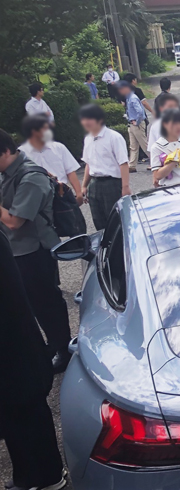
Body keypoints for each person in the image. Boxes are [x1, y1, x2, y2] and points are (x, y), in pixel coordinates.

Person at [0, 228, 67, 490]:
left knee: (20, 410)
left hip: (10, 344)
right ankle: (38, 473)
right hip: (16, 339)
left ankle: (40, 476)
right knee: (23, 410)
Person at [0, 129, 72, 373]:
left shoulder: (30, 177)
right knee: (29, 303)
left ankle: (63, 349)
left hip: (34, 250)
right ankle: (48, 345)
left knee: (46, 302)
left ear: (6, 151)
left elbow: (14, 221)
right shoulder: (8, 173)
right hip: (17, 249)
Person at [79, 104, 129, 232]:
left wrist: (125, 187)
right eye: (83, 119)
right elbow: (88, 163)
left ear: (100, 119)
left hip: (111, 184)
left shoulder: (114, 137)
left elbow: (123, 163)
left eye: (89, 119)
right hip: (94, 184)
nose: (85, 122)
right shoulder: (88, 138)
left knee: (115, 220)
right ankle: (105, 248)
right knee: (98, 220)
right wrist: (84, 186)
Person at [18, 116, 83, 209]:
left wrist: (78, 193)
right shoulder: (21, 153)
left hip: (61, 195)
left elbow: (70, 171)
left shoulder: (58, 147)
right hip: (36, 198)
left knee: (70, 222)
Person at [117, 79, 148, 174]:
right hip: (131, 124)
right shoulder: (128, 98)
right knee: (133, 146)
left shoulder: (133, 98)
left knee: (145, 145)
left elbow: (140, 112)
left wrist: (137, 122)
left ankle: (158, 161)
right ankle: (132, 165)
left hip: (136, 125)